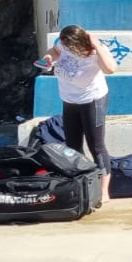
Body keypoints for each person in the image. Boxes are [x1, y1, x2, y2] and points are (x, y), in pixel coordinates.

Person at [37, 24, 118, 203]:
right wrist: (48, 57)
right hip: (69, 101)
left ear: (79, 43)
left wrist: (97, 46)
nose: (66, 48)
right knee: (73, 145)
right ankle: (81, 184)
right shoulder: (64, 45)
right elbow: (54, 51)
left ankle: (104, 191)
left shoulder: (95, 51)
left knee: (96, 146)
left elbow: (110, 69)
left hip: (92, 101)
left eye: (70, 46)